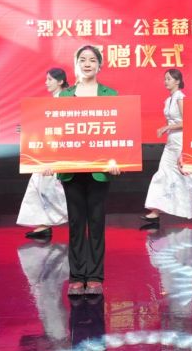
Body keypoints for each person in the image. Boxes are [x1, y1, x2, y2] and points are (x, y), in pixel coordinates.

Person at [57, 45, 119, 296]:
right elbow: (56, 131)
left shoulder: (110, 95)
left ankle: (94, 276)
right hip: (71, 168)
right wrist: (47, 159)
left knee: (95, 222)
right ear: (76, 64)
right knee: (75, 223)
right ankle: (76, 276)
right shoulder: (64, 97)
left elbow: (118, 130)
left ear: (99, 65)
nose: (87, 64)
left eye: (92, 60)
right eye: (82, 59)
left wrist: (117, 159)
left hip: (100, 169)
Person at [142, 69, 192, 227]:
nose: (166, 81)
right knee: (162, 173)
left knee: (186, 174)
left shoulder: (180, 97)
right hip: (171, 142)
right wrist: (167, 129)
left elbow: (188, 121)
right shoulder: (168, 99)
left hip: (181, 141)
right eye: (165, 79)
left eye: (169, 79)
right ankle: (155, 211)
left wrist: (167, 127)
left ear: (177, 81)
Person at [17, 68, 70, 241]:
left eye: (50, 79)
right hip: (47, 150)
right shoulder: (52, 101)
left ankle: (64, 217)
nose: (46, 83)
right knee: (38, 183)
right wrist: (27, 128)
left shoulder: (67, 100)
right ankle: (44, 224)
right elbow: (45, 126)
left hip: (59, 151)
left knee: (51, 186)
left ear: (60, 81)